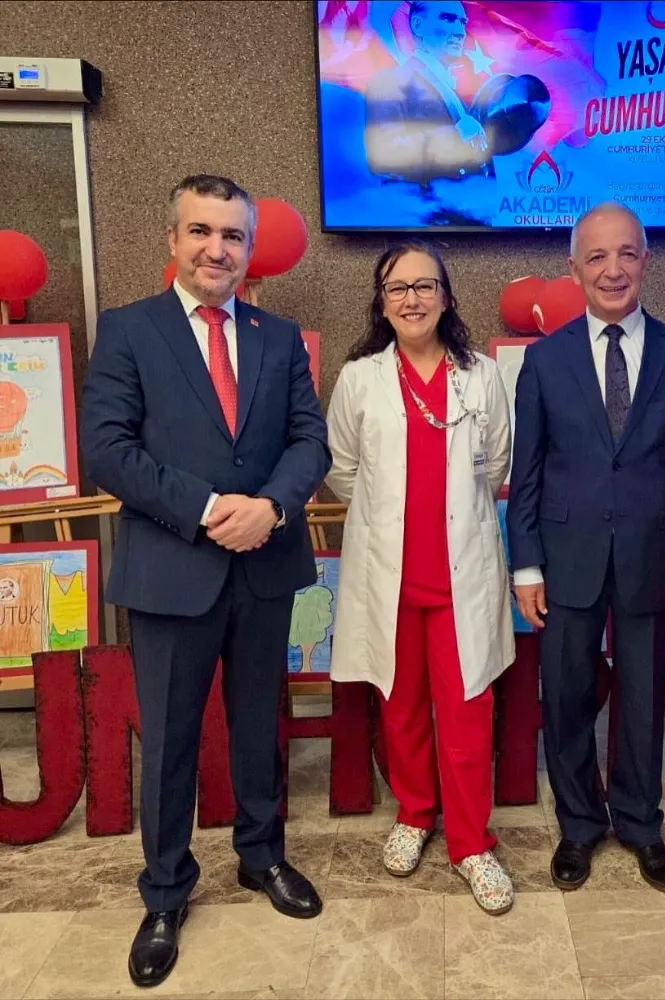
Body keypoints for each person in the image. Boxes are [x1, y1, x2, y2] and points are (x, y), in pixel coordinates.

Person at [80, 175, 330, 987]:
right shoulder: (128, 331)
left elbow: (309, 441)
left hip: (264, 568)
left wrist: (272, 507)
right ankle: (164, 893)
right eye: (201, 231)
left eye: (232, 235)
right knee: (170, 741)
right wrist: (211, 506)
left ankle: (262, 857)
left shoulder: (278, 337)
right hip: (170, 571)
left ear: (249, 249)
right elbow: (107, 449)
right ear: (173, 238)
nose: (216, 249)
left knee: (259, 727)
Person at [507, 202, 665, 893]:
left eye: (626, 253)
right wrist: (526, 564)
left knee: (644, 699)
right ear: (574, 268)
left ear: (646, 261)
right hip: (565, 558)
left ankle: (640, 824)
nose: (612, 269)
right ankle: (578, 825)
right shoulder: (544, 361)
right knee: (565, 696)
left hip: (653, 558)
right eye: (596, 256)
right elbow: (528, 473)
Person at [324, 241, 517, 915]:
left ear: (446, 296)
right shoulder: (360, 379)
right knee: (400, 708)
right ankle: (414, 813)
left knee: (467, 714)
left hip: (463, 579)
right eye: (397, 288)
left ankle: (471, 843)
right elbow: (341, 469)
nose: (412, 299)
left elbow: (497, 465)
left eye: (425, 286)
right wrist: (391, 517)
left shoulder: (481, 375)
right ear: (381, 303)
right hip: (391, 578)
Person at [364, 0, 548, 186]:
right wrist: (455, 135)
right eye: (448, 19)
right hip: (422, 203)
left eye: (462, 22)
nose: (461, 32)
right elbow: (384, 156)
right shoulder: (390, 82)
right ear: (417, 25)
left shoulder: (456, 98)